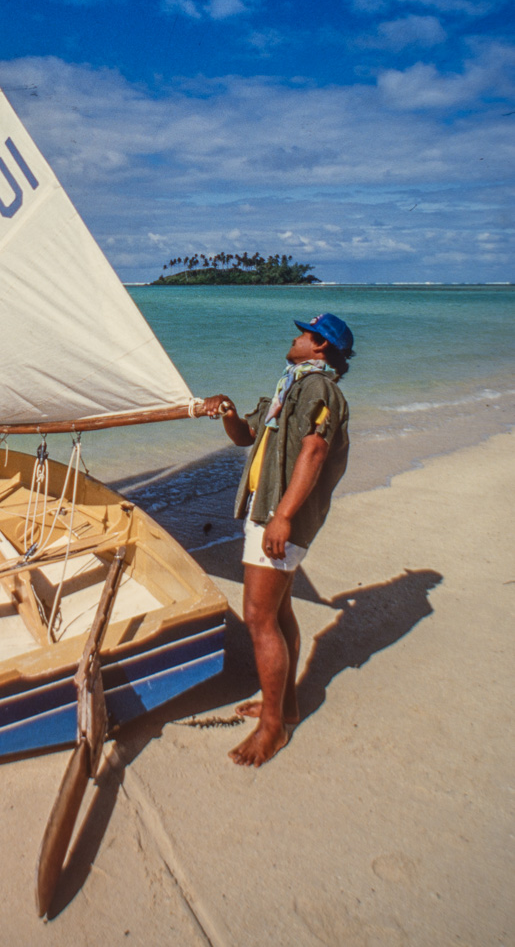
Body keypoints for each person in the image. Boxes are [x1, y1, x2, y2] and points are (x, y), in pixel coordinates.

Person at [201, 313, 353, 767]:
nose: (294, 337)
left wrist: (283, 517)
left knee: (258, 617)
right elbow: (246, 436)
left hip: (278, 516)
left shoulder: (319, 389)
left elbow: (314, 450)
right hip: (266, 511)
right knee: (278, 611)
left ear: (320, 346)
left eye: (303, 334)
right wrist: (227, 412)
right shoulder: (291, 385)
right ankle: (282, 707)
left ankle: (272, 729)